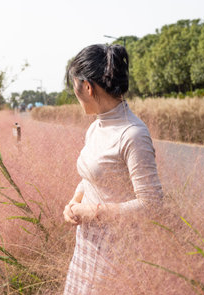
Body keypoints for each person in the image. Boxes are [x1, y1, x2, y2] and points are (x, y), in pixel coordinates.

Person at [62, 44, 163, 294]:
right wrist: (73, 203)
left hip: (118, 249)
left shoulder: (133, 134)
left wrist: (93, 212)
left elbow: (152, 203)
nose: (76, 97)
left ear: (87, 87)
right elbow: (91, 177)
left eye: (75, 88)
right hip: (87, 243)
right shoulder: (96, 126)